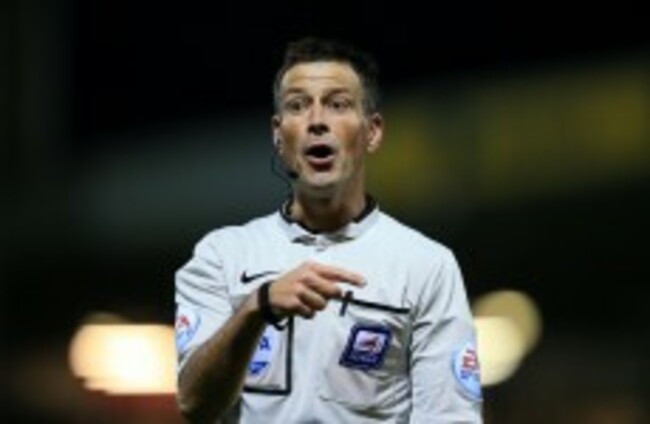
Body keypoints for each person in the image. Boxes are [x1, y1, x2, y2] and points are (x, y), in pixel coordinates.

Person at [174, 37, 483, 423]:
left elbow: (450, 416)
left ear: (372, 132)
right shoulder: (222, 255)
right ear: (278, 134)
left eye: (338, 104)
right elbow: (194, 404)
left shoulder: (427, 265)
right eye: (297, 105)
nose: (317, 120)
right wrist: (257, 307)